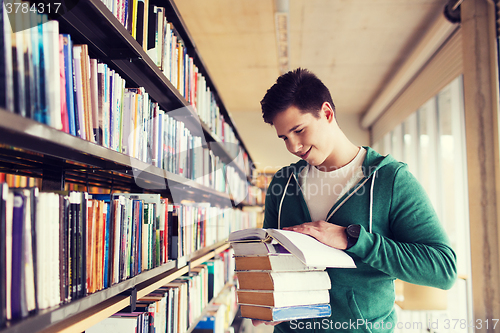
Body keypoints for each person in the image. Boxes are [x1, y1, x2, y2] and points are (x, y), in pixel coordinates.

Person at [254, 68, 457, 333]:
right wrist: (263, 300)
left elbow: (443, 268)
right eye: (284, 138)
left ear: (327, 113)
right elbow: (269, 260)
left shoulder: (390, 179)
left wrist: (353, 239)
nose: (293, 146)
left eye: (299, 130)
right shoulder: (281, 183)